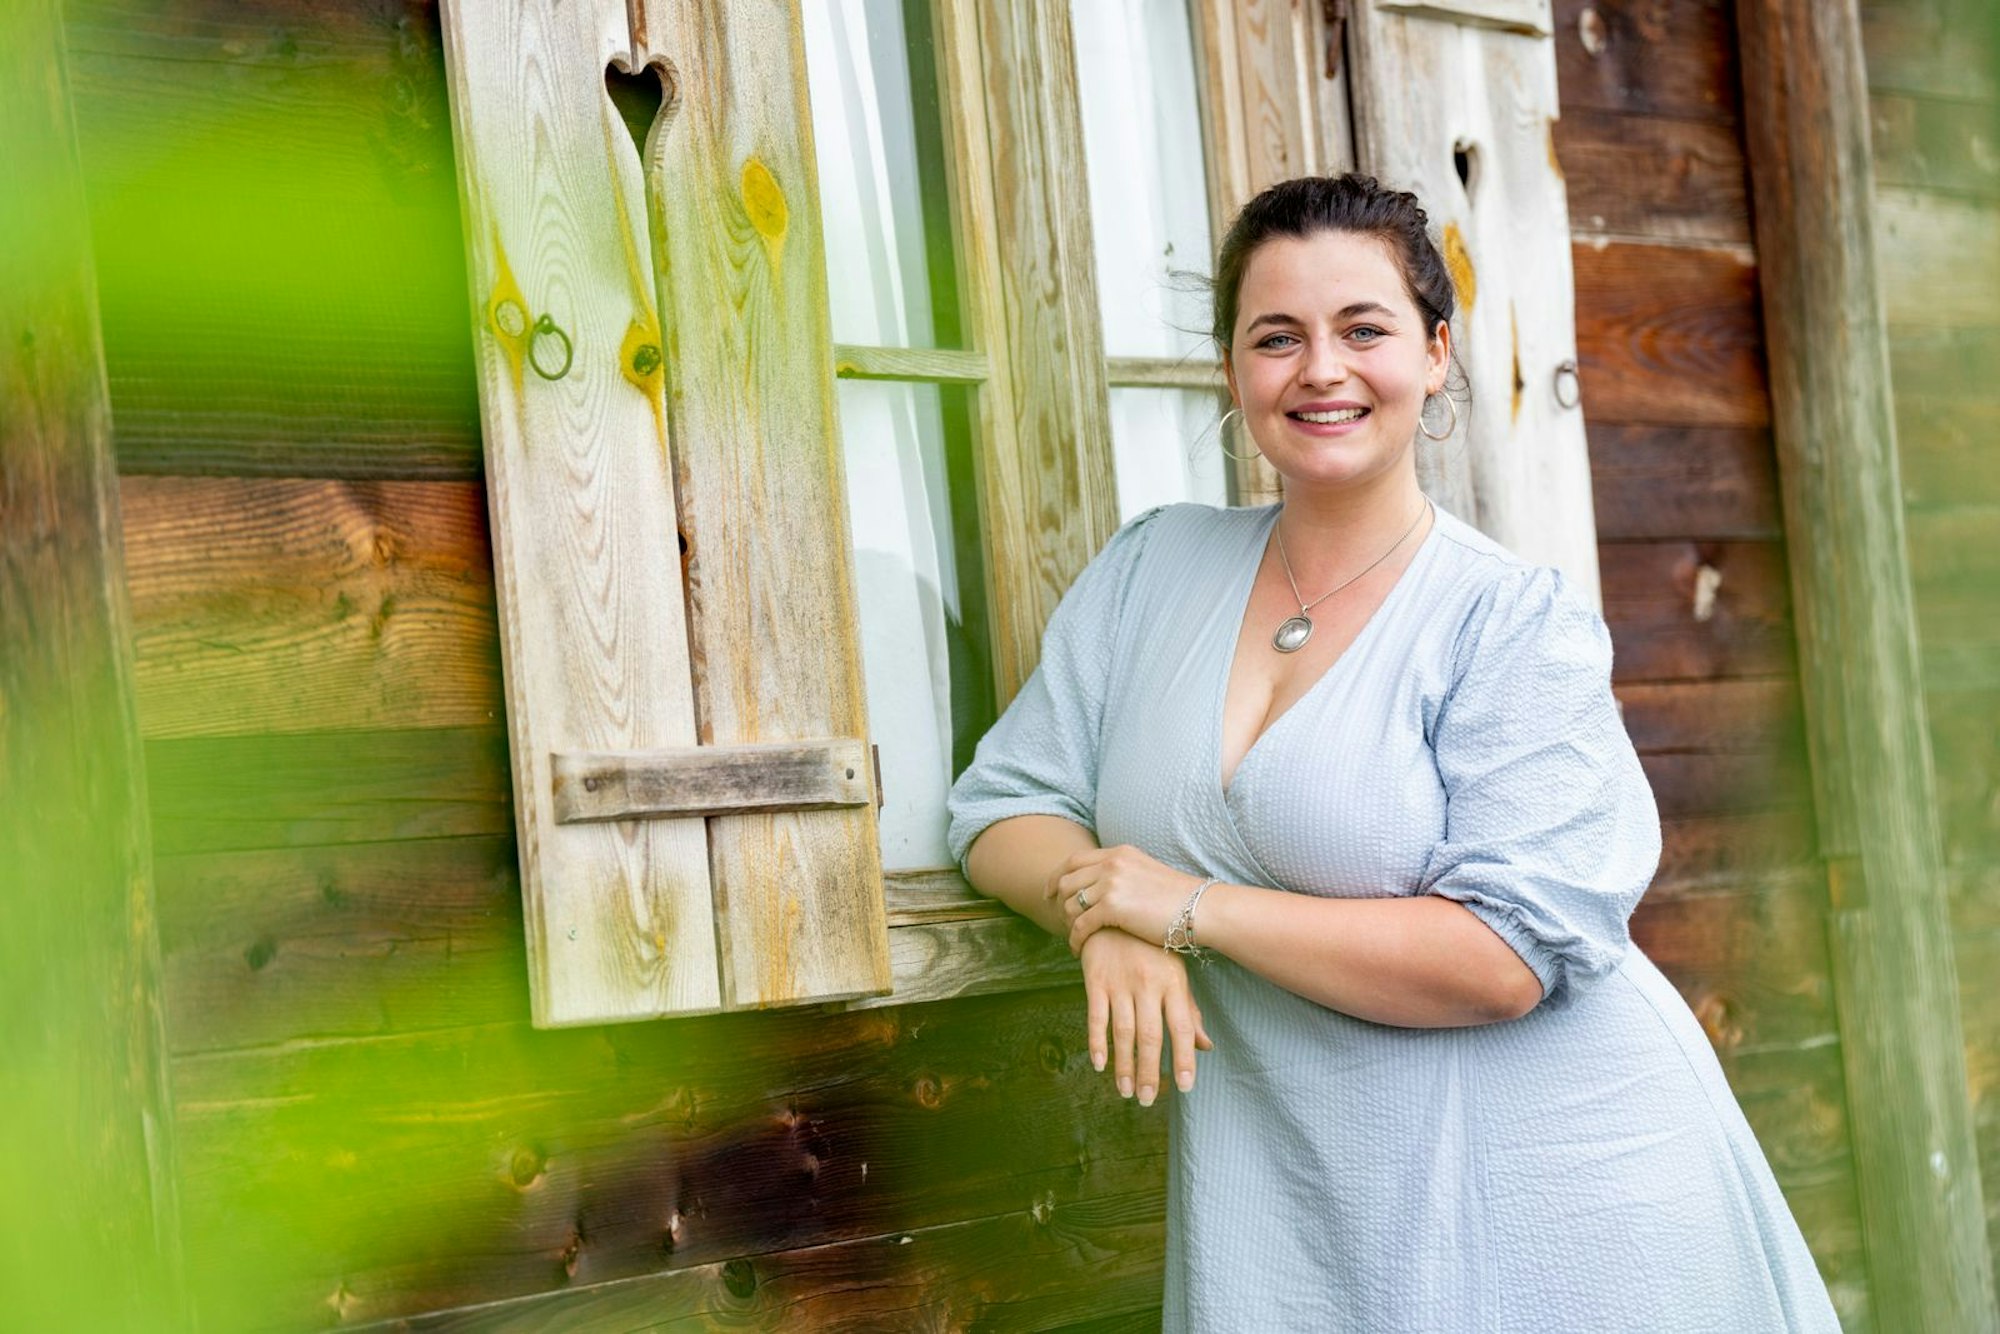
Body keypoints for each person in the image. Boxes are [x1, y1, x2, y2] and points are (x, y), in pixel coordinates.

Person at [944, 175, 1839, 1331]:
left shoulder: (1507, 619)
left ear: (1433, 354)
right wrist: (1099, 916)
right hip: (1295, 1194)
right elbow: (1002, 806)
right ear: (1231, 371)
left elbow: (1500, 955)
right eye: (1276, 337)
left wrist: (1180, 909)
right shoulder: (1149, 568)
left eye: (1362, 328)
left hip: (1561, 1191)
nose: (1319, 368)